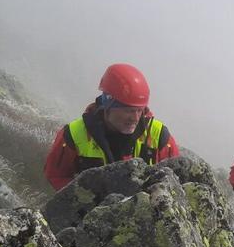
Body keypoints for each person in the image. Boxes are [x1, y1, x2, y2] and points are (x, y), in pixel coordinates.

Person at [44, 63, 179, 190]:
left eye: (140, 110)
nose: (136, 118)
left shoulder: (159, 136)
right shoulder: (73, 134)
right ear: (107, 106)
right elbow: (56, 175)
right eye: (129, 110)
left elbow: (177, 182)